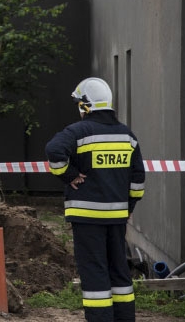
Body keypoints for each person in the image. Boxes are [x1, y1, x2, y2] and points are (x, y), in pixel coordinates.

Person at [45, 77, 145, 322]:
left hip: (87, 217)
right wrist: (128, 207)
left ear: (85, 105)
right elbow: (138, 180)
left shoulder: (78, 132)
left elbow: (54, 151)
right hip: (117, 217)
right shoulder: (127, 135)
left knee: (94, 270)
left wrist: (68, 175)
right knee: (119, 270)